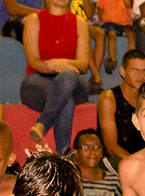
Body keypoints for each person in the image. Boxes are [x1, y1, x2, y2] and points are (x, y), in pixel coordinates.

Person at [21, 0, 90, 154]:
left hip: (72, 81)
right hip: (37, 82)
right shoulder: (34, 20)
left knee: (67, 78)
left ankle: (43, 123)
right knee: (65, 98)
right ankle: (64, 155)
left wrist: (63, 63)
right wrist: (57, 68)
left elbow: (84, 64)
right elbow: (33, 61)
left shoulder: (79, 23)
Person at [97, 49, 145, 159]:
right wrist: (140, 166)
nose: (141, 75)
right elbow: (111, 148)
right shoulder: (109, 98)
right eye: (135, 70)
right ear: (123, 71)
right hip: (115, 161)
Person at [96, 0, 137, 76]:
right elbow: (100, 11)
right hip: (110, 23)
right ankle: (113, 60)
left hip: (125, 23)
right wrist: (104, 22)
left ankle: (131, 60)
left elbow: (129, 5)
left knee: (132, 35)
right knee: (112, 35)